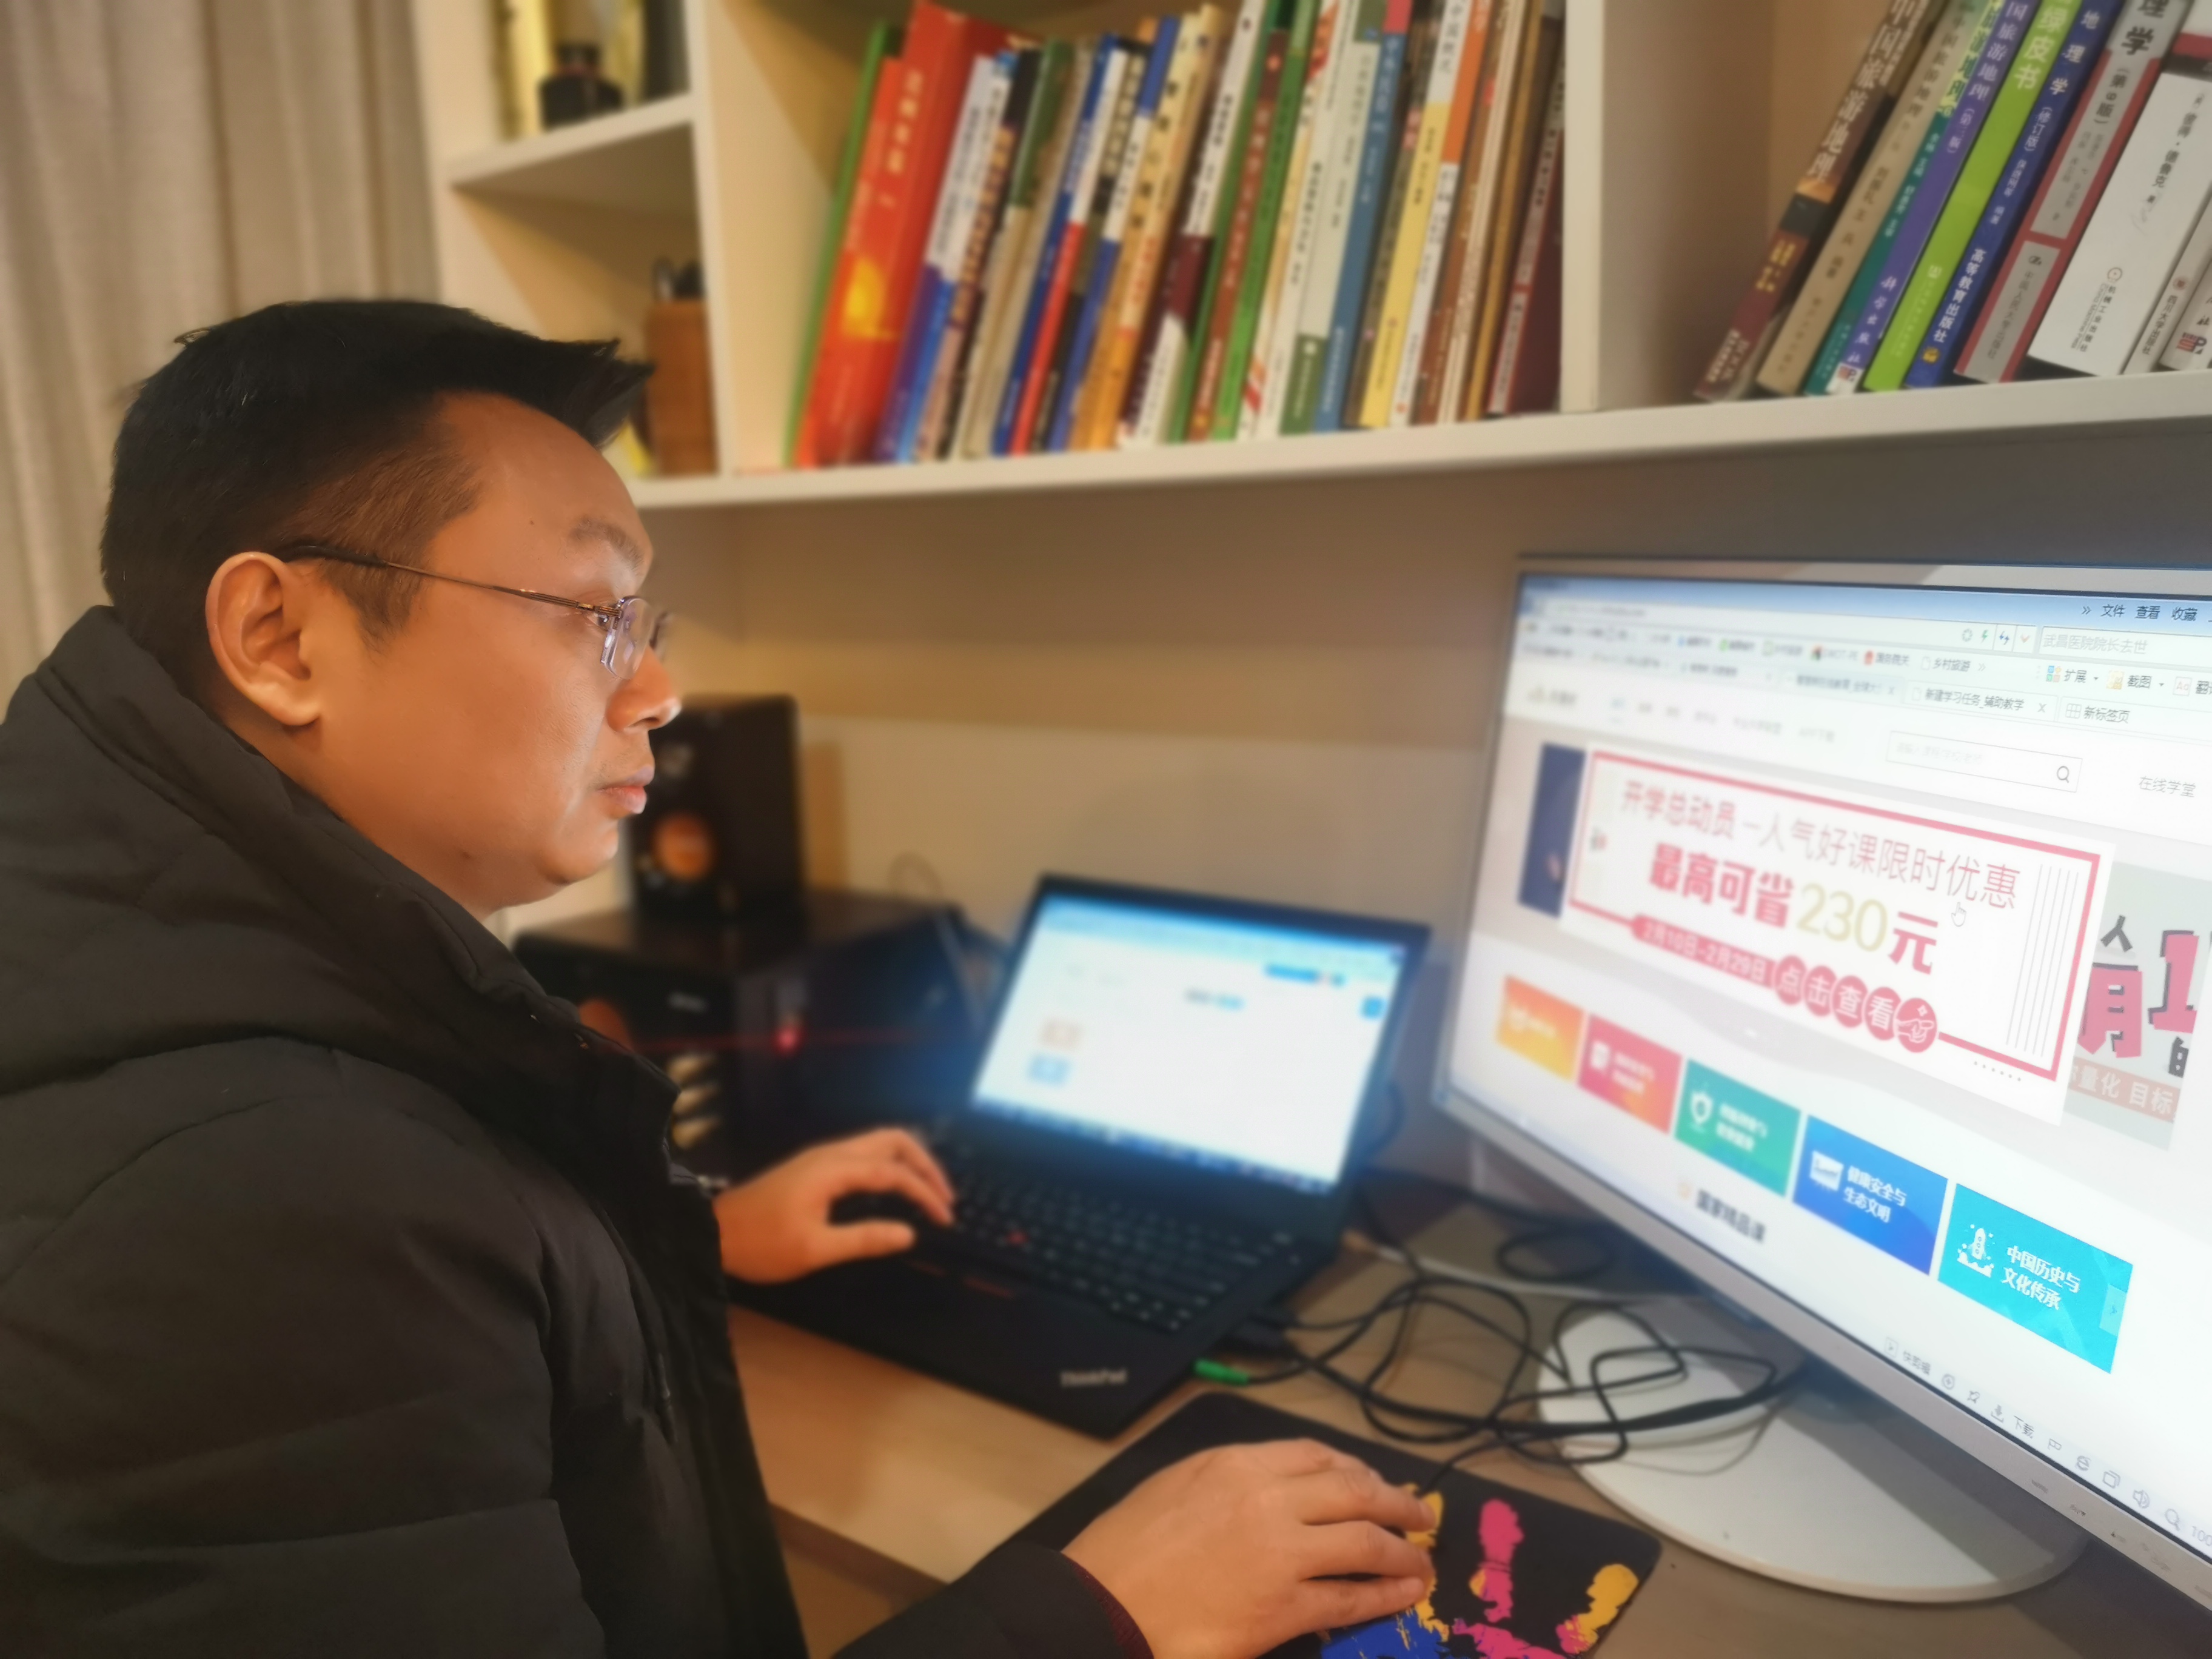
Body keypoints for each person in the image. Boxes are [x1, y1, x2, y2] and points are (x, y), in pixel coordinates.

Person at [0, 301, 1434, 1657]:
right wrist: (1105, 1612)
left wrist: (682, 1244)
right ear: (279, 640)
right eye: (593, 612)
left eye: (649, 624)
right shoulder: (258, 1200)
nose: (658, 692)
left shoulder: (198, 981)